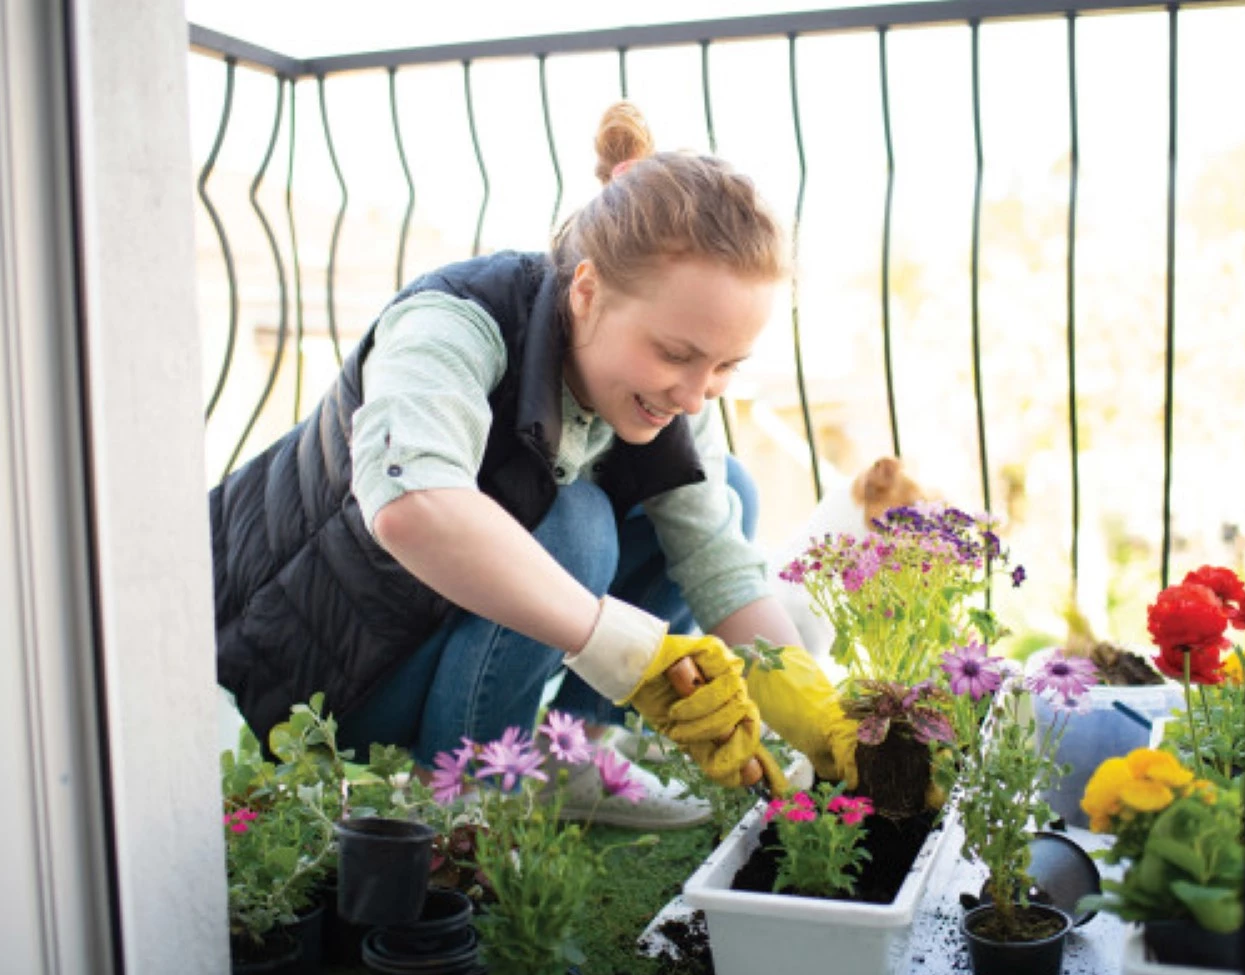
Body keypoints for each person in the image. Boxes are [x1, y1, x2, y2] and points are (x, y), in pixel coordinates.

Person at [210, 102, 857, 829]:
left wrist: (818, 714)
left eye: (725, 365)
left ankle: (579, 749)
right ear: (586, 291)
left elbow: (719, 563)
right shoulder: (451, 321)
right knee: (577, 522)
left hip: (426, 628)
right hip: (324, 677)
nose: (695, 391)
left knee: (722, 486)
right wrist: (626, 650)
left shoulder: (675, 395)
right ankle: (473, 791)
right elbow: (411, 504)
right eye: (675, 354)